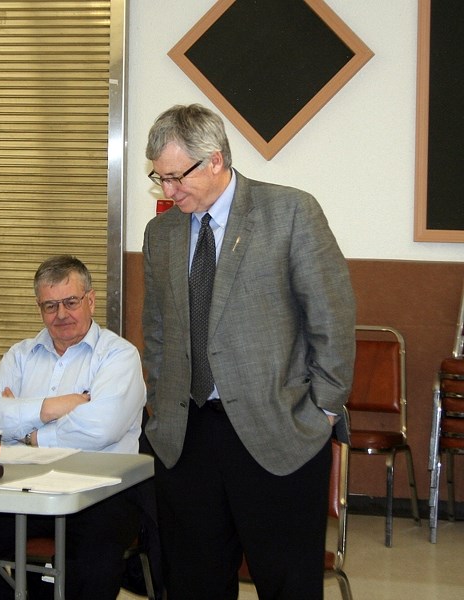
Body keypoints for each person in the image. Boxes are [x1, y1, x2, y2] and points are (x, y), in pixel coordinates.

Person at [142, 104, 355, 600]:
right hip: (186, 438)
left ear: (214, 160)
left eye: (175, 177)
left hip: (278, 433)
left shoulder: (290, 212)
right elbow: (156, 329)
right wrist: (159, 398)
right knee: (194, 583)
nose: (168, 191)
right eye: (159, 177)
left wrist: (323, 408)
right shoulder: (162, 234)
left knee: (287, 584)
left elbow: (332, 317)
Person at [0, 255, 146, 600]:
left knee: (88, 572)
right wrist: (56, 407)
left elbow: (101, 428)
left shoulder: (119, 356)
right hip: (22, 488)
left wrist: (28, 432)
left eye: (71, 302)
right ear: (38, 307)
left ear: (90, 300)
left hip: (102, 492)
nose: (61, 314)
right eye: (50, 305)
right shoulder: (20, 356)